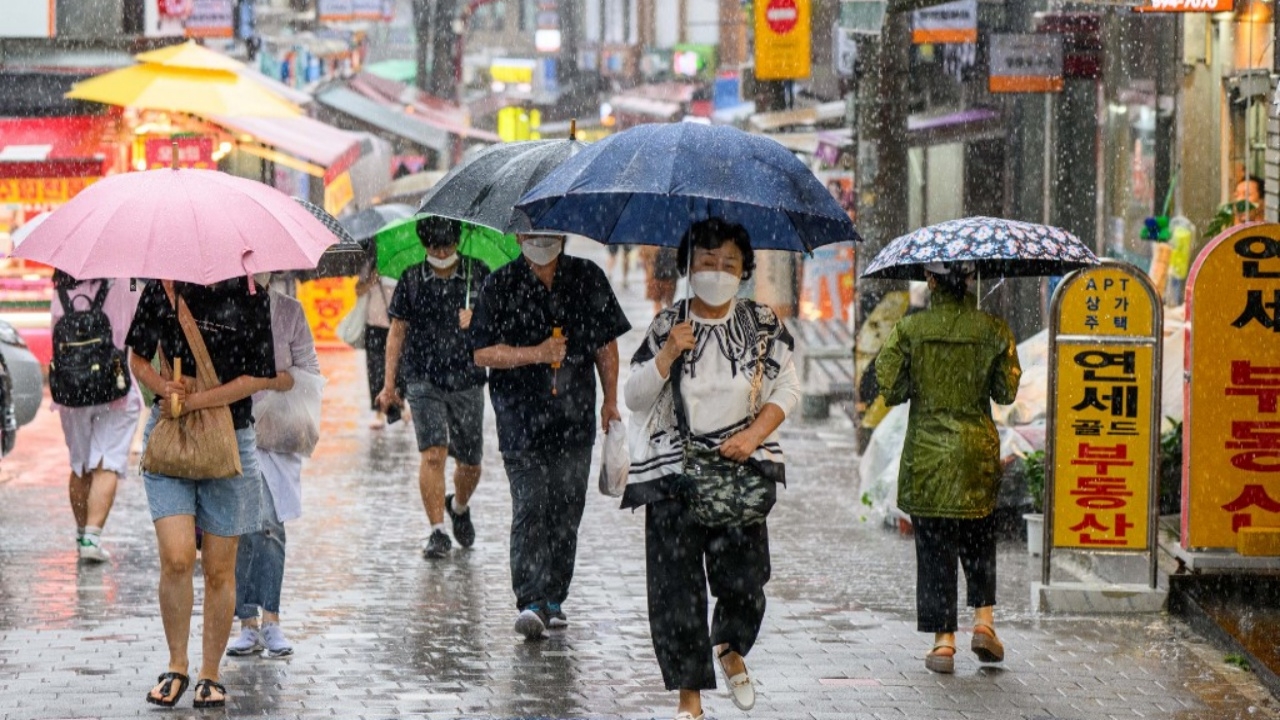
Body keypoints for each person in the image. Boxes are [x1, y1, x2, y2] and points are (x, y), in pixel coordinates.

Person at [621, 219, 800, 720]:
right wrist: (667, 354)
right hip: (674, 475)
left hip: (740, 471)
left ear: (744, 270)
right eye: (706, 261)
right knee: (675, 589)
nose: (716, 272)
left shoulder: (762, 324)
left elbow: (787, 389)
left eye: (728, 263)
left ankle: (730, 644)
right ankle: (689, 700)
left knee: (745, 580)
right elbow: (634, 398)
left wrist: (753, 436)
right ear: (687, 266)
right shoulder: (667, 325)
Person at [126, 277, 287, 709]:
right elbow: (137, 357)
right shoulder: (163, 288)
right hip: (171, 441)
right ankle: (176, 665)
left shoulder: (249, 293)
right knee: (177, 556)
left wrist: (199, 400)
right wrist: (163, 388)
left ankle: (209, 673)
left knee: (220, 567)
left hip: (231, 442)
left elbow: (257, 376)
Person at [470, 232, 630, 640]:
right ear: (519, 235)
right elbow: (482, 352)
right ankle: (529, 598)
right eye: (531, 232)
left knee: (565, 507)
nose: (540, 240)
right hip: (519, 419)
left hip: (573, 420)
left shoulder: (587, 278)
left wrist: (610, 400)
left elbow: (605, 345)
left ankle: (554, 596)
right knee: (530, 503)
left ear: (562, 235)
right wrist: (536, 353)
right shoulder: (499, 284)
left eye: (548, 231)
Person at [874, 261, 1021, 675]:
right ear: (970, 281)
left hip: (927, 455)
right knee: (979, 535)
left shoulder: (910, 330)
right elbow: (1006, 392)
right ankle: (984, 621)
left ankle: (943, 643)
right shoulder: (993, 330)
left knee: (935, 545)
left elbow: (892, 387)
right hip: (976, 452)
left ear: (932, 281)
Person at [376, 216, 487, 560]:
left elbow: (501, 323)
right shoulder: (411, 279)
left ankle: (460, 505)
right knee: (433, 453)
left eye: (447, 245)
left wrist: (479, 318)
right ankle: (437, 530)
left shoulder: (478, 273)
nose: (441, 252)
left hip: (467, 378)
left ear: (456, 242)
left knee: (470, 463)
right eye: (434, 247)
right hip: (422, 378)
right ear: (425, 247)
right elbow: (396, 332)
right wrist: (389, 383)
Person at [227, 281, 321, 659]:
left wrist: (273, 383)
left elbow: (308, 370)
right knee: (243, 527)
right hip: (233, 429)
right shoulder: (221, 309)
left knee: (270, 524)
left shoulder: (289, 311)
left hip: (277, 435)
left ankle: (271, 619)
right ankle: (248, 623)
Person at [51, 271, 142, 563]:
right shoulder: (124, 285)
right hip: (114, 388)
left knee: (80, 465)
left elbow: (55, 335)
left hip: (72, 392)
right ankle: (92, 537)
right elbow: (136, 330)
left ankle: (81, 536)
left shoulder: (61, 291)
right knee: (107, 463)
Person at [357, 262, 397, 428]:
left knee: (398, 368)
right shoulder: (370, 264)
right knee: (375, 369)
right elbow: (358, 290)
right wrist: (371, 280)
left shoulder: (402, 265)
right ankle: (379, 411)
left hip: (397, 328)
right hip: (374, 326)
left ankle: (399, 407)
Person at [641, 245, 679, 314]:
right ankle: (665, 320)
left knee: (660, 302)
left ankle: (661, 320)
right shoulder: (673, 242)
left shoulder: (652, 240)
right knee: (665, 302)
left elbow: (645, 257)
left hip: (659, 274)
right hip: (665, 274)